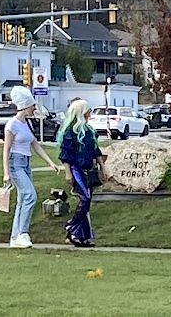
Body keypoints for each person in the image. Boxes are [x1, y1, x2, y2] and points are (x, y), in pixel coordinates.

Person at [3, 85, 59, 248]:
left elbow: (35, 144)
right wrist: (6, 173)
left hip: (26, 163)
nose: (35, 108)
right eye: (32, 105)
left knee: (22, 200)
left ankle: (15, 237)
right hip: (16, 164)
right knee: (30, 196)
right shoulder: (12, 125)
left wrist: (50, 162)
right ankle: (23, 233)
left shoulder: (26, 124)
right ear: (25, 106)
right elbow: (6, 150)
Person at [58, 99, 107, 247]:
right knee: (85, 199)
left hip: (89, 169)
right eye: (88, 110)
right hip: (76, 169)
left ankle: (80, 236)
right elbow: (66, 154)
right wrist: (68, 173)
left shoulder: (90, 131)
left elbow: (95, 151)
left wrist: (103, 168)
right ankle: (71, 225)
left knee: (87, 202)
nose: (90, 112)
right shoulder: (70, 132)